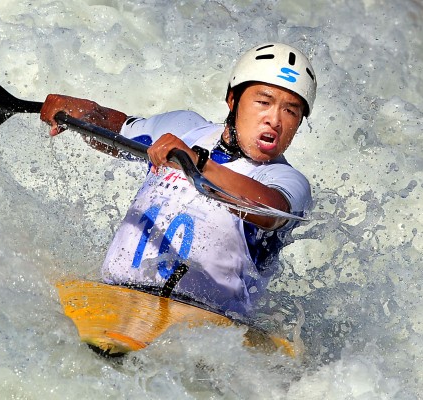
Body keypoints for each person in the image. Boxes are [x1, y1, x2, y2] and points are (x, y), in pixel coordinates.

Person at [41, 43, 317, 316]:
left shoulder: (286, 180)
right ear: (232, 100)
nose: (275, 120)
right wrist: (83, 112)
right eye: (263, 102)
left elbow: (268, 211)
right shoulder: (185, 128)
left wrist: (196, 163)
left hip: (208, 322)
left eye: (291, 111)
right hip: (114, 298)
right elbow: (117, 130)